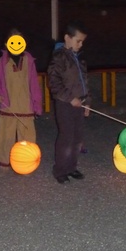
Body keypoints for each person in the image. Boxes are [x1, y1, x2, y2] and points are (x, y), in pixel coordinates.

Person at [0, 29, 42, 176]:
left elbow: (34, 84)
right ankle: (4, 164)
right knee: (6, 135)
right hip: (8, 105)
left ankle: (26, 162)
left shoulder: (29, 61)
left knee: (28, 136)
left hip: (25, 105)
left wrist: (37, 104)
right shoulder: (2, 62)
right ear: (7, 44)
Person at [47, 21, 91, 184]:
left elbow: (84, 81)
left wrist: (87, 101)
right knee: (66, 136)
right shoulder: (59, 57)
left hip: (80, 103)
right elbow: (54, 83)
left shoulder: (79, 58)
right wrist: (70, 98)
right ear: (67, 38)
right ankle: (60, 169)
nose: (80, 44)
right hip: (65, 104)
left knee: (77, 137)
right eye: (78, 41)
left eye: (82, 42)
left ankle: (71, 167)